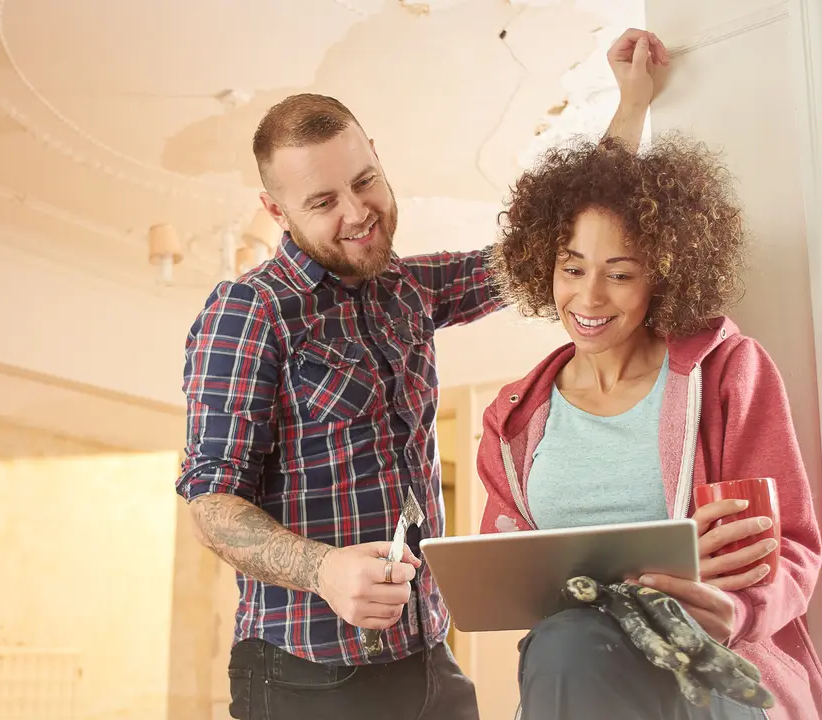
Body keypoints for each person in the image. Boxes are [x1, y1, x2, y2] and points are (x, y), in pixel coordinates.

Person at [175, 28, 671, 720]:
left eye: (364, 181)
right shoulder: (250, 312)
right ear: (276, 211)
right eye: (322, 203)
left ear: (377, 155)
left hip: (429, 658)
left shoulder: (408, 289)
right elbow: (211, 503)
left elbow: (548, 247)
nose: (357, 214)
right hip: (306, 678)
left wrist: (629, 108)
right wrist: (323, 570)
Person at [474, 133, 822, 720]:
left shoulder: (726, 373)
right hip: (583, 666)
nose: (588, 297)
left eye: (619, 274)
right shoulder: (511, 419)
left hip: (709, 661)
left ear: (661, 276)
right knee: (565, 641)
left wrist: (736, 609)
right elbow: (505, 568)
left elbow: (789, 545)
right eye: (573, 268)